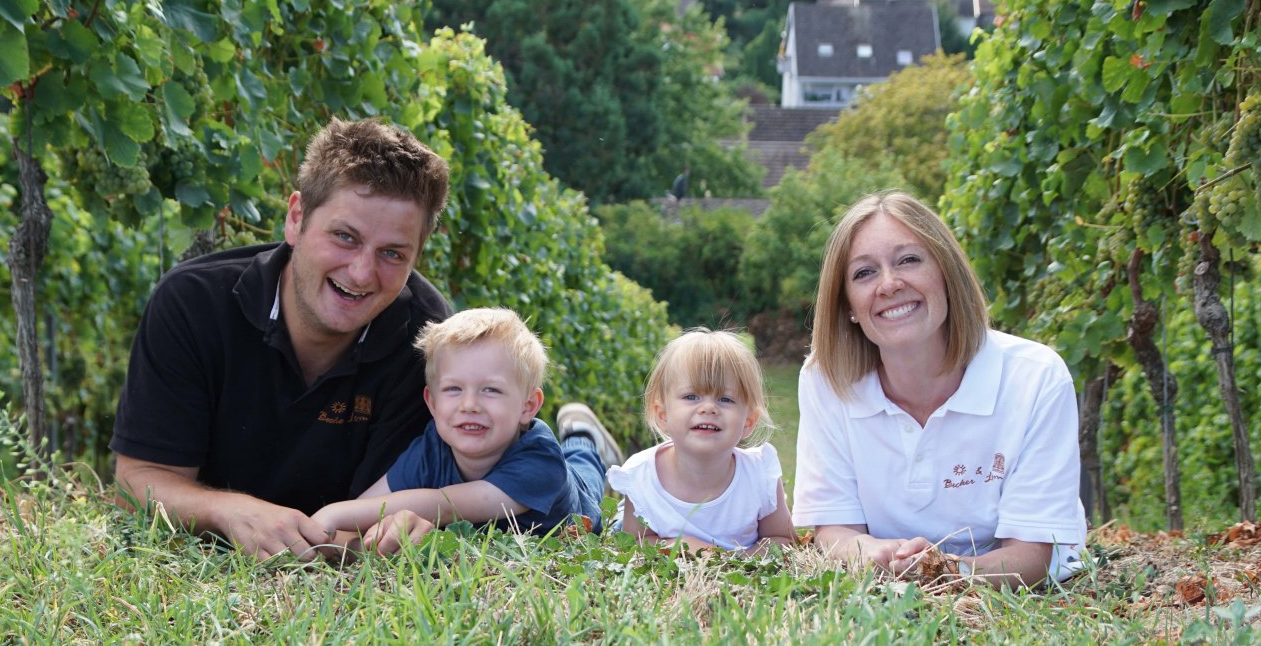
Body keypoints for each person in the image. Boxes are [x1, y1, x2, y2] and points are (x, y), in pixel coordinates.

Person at [110, 118, 452, 560]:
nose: (362, 273)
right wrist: (229, 510)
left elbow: (383, 518)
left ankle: (576, 439)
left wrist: (398, 527)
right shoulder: (193, 303)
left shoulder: (425, 341)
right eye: (345, 237)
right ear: (296, 219)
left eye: (392, 254)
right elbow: (135, 483)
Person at [793, 190, 1085, 588]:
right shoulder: (825, 380)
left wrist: (941, 571)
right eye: (864, 273)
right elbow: (834, 530)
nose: (890, 284)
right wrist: (875, 554)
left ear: (946, 272)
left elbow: (1033, 553)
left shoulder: (1036, 378)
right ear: (847, 305)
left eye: (908, 260)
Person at [310, 307, 624, 545]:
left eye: (491, 390)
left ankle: (582, 435)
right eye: (453, 389)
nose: (469, 404)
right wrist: (334, 532)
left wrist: (332, 514)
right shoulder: (431, 448)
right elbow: (370, 505)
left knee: (585, 471)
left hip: (575, 504)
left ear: (528, 407)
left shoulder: (541, 464)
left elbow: (445, 505)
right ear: (431, 403)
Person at [608, 329, 796, 554]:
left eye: (725, 399)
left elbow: (781, 538)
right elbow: (636, 543)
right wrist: (684, 545)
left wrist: (742, 561)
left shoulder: (759, 475)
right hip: (639, 530)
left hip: (734, 566)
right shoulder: (642, 476)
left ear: (748, 421)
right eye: (691, 397)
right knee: (612, 528)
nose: (708, 408)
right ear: (662, 414)